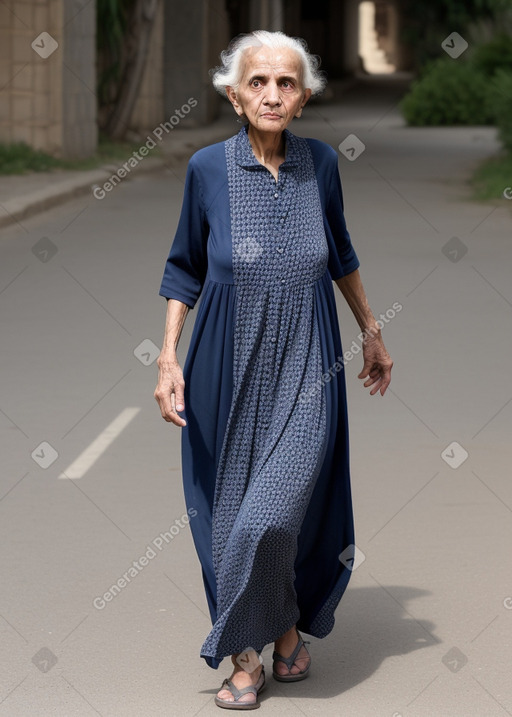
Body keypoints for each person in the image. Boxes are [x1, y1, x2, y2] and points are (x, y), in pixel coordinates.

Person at [154, 30, 393, 710]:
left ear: (304, 96)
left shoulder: (322, 164)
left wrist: (371, 332)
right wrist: (168, 355)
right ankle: (264, 646)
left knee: (273, 516)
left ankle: (256, 644)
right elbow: (183, 267)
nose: (272, 94)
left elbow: (341, 251)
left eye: (287, 83)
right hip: (225, 365)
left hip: (308, 364)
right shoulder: (206, 169)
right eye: (258, 82)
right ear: (234, 95)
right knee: (233, 517)